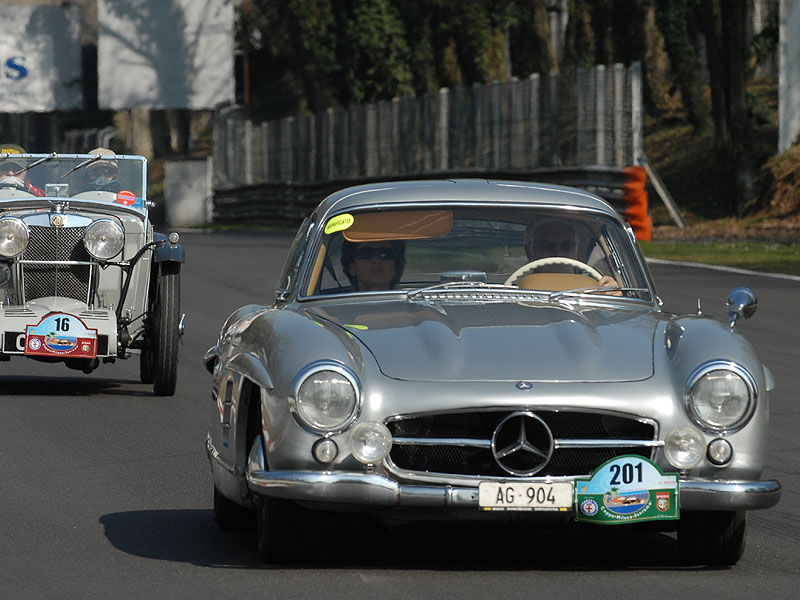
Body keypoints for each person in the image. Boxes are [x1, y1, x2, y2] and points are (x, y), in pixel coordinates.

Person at [523, 218, 619, 289]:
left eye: (567, 246)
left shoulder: (593, 290)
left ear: (576, 252)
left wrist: (612, 293)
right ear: (529, 252)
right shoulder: (515, 293)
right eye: (547, 245)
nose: (558, 253)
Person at [340, 239, 406, 291]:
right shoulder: (335, 307)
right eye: (366, 254)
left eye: (385, 254)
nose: (376, 260)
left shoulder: (413, 307)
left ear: (396, 266)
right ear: (352, 267)